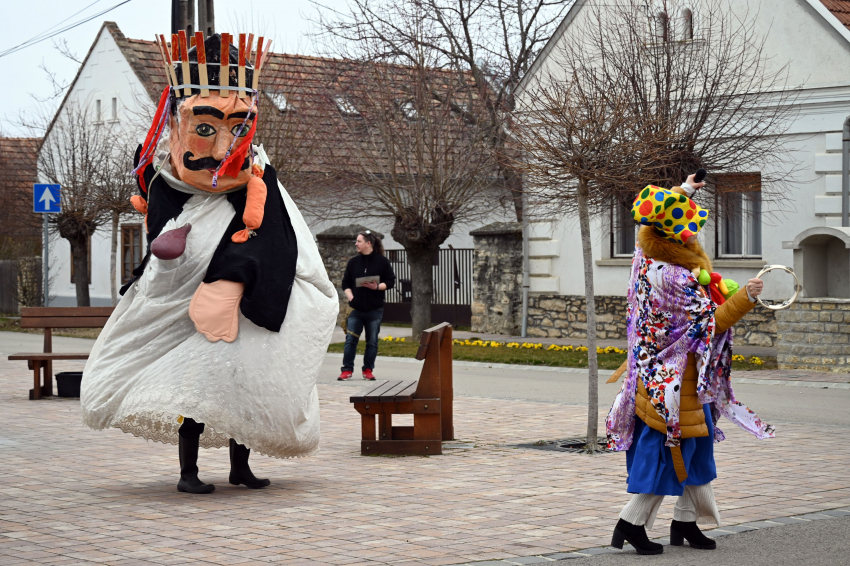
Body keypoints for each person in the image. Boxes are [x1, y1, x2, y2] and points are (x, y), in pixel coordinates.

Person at [80, 32, 338, 494]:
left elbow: (278, 242)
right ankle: (188, 472)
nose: (222, 150)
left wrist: (233, 276)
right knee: (190, 390)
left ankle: (241, 466)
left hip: (242, 313)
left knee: (238, 388)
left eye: (238, 129)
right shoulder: (162, 184)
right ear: (177, 128)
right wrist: (177, 257)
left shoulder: (261, 183)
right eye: (205, 129)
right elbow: (163, 245)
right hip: (184, 318)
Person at [605, 174, 775, 554]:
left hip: (660, 373)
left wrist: (684, 190)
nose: (694, 236)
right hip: (673, 379)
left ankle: (685, 522)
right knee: (672, 452)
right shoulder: (676, 278)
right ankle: (630, 524)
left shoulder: (644, 258)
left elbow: (652, 224)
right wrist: (746, 296)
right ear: (676, 237)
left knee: (696, 449)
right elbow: (710, 323)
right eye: (689, 231)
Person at [338, 231, 396, 381]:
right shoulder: (353, 262)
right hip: (356, 310)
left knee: (372, 341)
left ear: (368, 243)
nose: (356, 244)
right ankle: (347, 370)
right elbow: (345, 283)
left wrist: (376, 287)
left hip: (374, 310)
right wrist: (351, 297)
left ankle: (368, 370)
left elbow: (390, 281)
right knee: (351, 340)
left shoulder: (382, 262)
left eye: (359, 241)